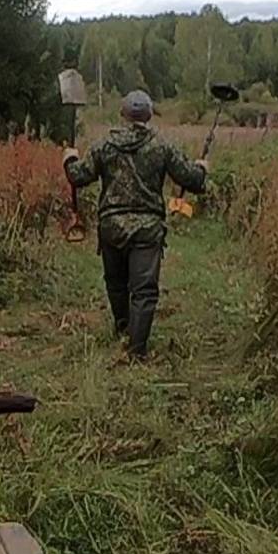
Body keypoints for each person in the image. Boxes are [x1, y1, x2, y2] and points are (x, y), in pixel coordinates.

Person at [63, 90, 209, 359]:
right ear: (149, 115)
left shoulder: (104, 145)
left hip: (111, 227)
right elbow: (193, 181)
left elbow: (78, 177)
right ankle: (136, 350)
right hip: (146, 229)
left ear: (122, 114)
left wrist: (70, 157)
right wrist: (201, 167)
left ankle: (122, 331)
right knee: (144, 291)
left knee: (116, 284)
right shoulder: (162, 146)